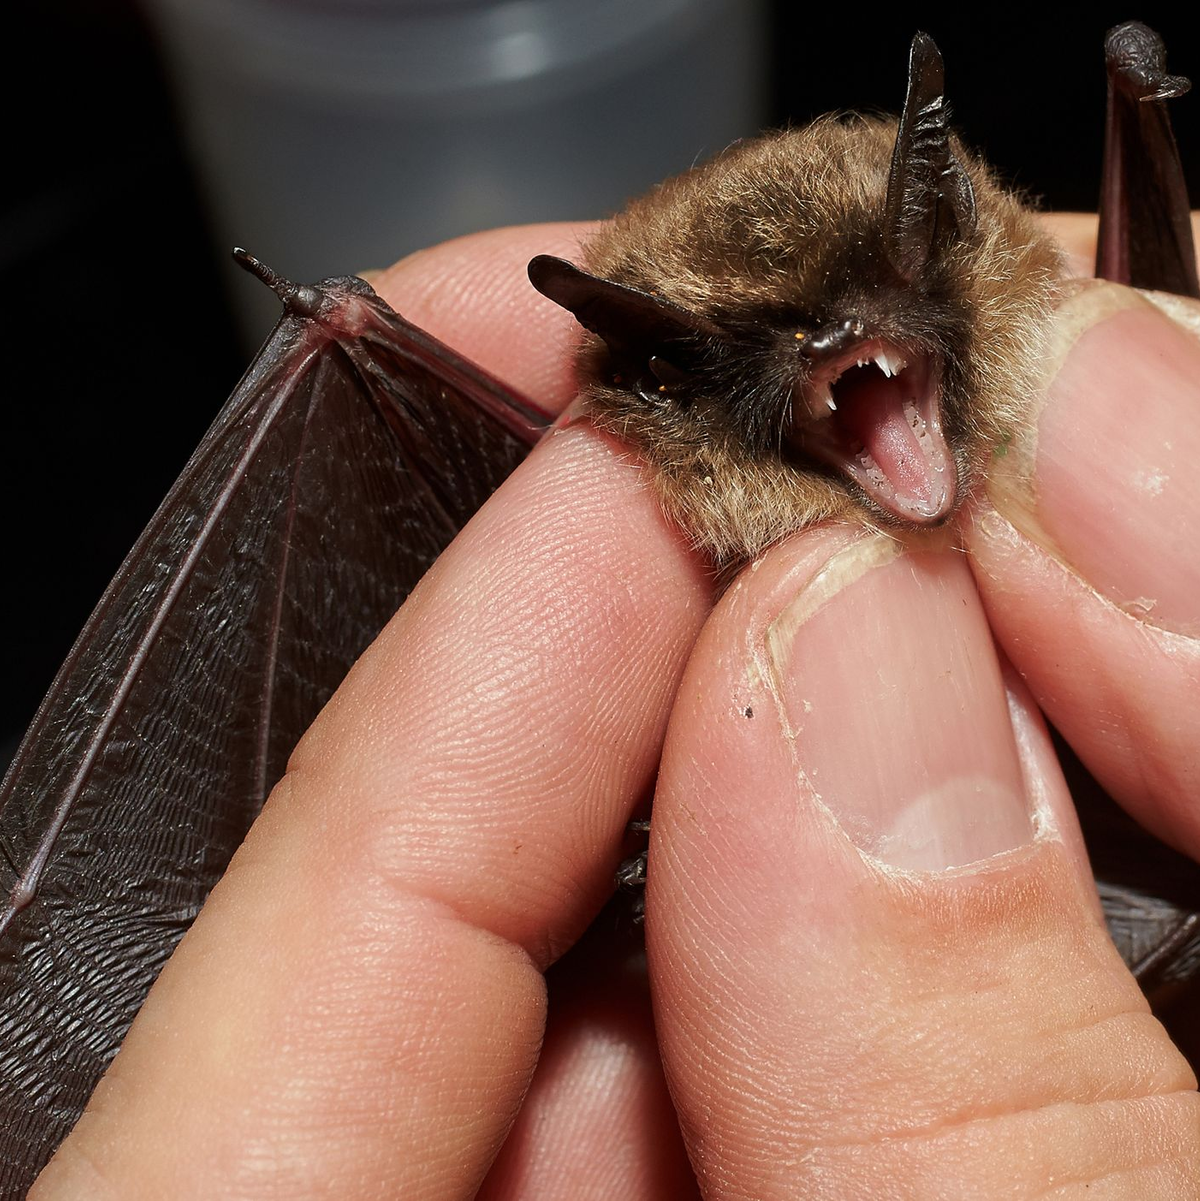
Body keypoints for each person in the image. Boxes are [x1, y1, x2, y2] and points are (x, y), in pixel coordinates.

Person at [29, 218, 1200, 1198]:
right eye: (783, 347)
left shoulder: (1001, 354)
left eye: (884, 304)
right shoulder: (657, 508)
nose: (850, 344)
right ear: (662, 374)